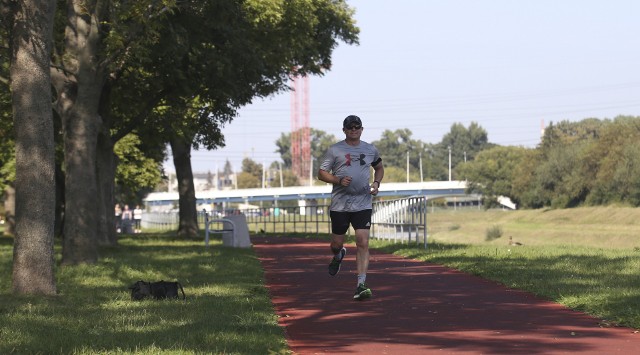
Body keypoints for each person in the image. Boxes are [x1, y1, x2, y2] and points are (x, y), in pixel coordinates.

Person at [318, 115, 384, 300]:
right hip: (340, 204)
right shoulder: (335, 150)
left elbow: (379, 167)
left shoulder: (370, 149)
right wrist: (338, 180)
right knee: (336, 244)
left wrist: (377, 183)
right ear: (344, 130)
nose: (354, 130)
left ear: (362, 129)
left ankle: (361, 284)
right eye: (350, 127)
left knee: (363, 242)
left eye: (357, 127)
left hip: (363, 203)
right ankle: (338, 255)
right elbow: (321, 173)